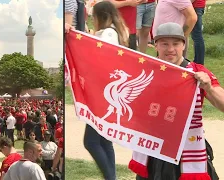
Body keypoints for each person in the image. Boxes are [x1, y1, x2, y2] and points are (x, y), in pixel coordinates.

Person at [132, 22, 223, 180]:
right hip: (152, 152)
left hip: (188, 150)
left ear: (183, 45)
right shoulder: (145, 71)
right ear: (155, 45)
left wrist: (208, 87)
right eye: (164, 44)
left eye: (176, 43)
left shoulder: (197, 72)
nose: (170, 49)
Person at [66, 1, 129, 180]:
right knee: (103, 139)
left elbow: (101, 56)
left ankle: (110, 178)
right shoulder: (113, 32)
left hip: (102, 93)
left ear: (101, 17)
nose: (93, 20)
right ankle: (112, 177)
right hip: (104, 93)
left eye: (93, 17)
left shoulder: (108, 33)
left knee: (91, 141)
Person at [191, 0, 206, 65]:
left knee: (197, 36)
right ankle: (197, 61)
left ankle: (199, 63)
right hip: (197, 6)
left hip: (196, 6)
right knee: (196, 36)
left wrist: (186, 3)